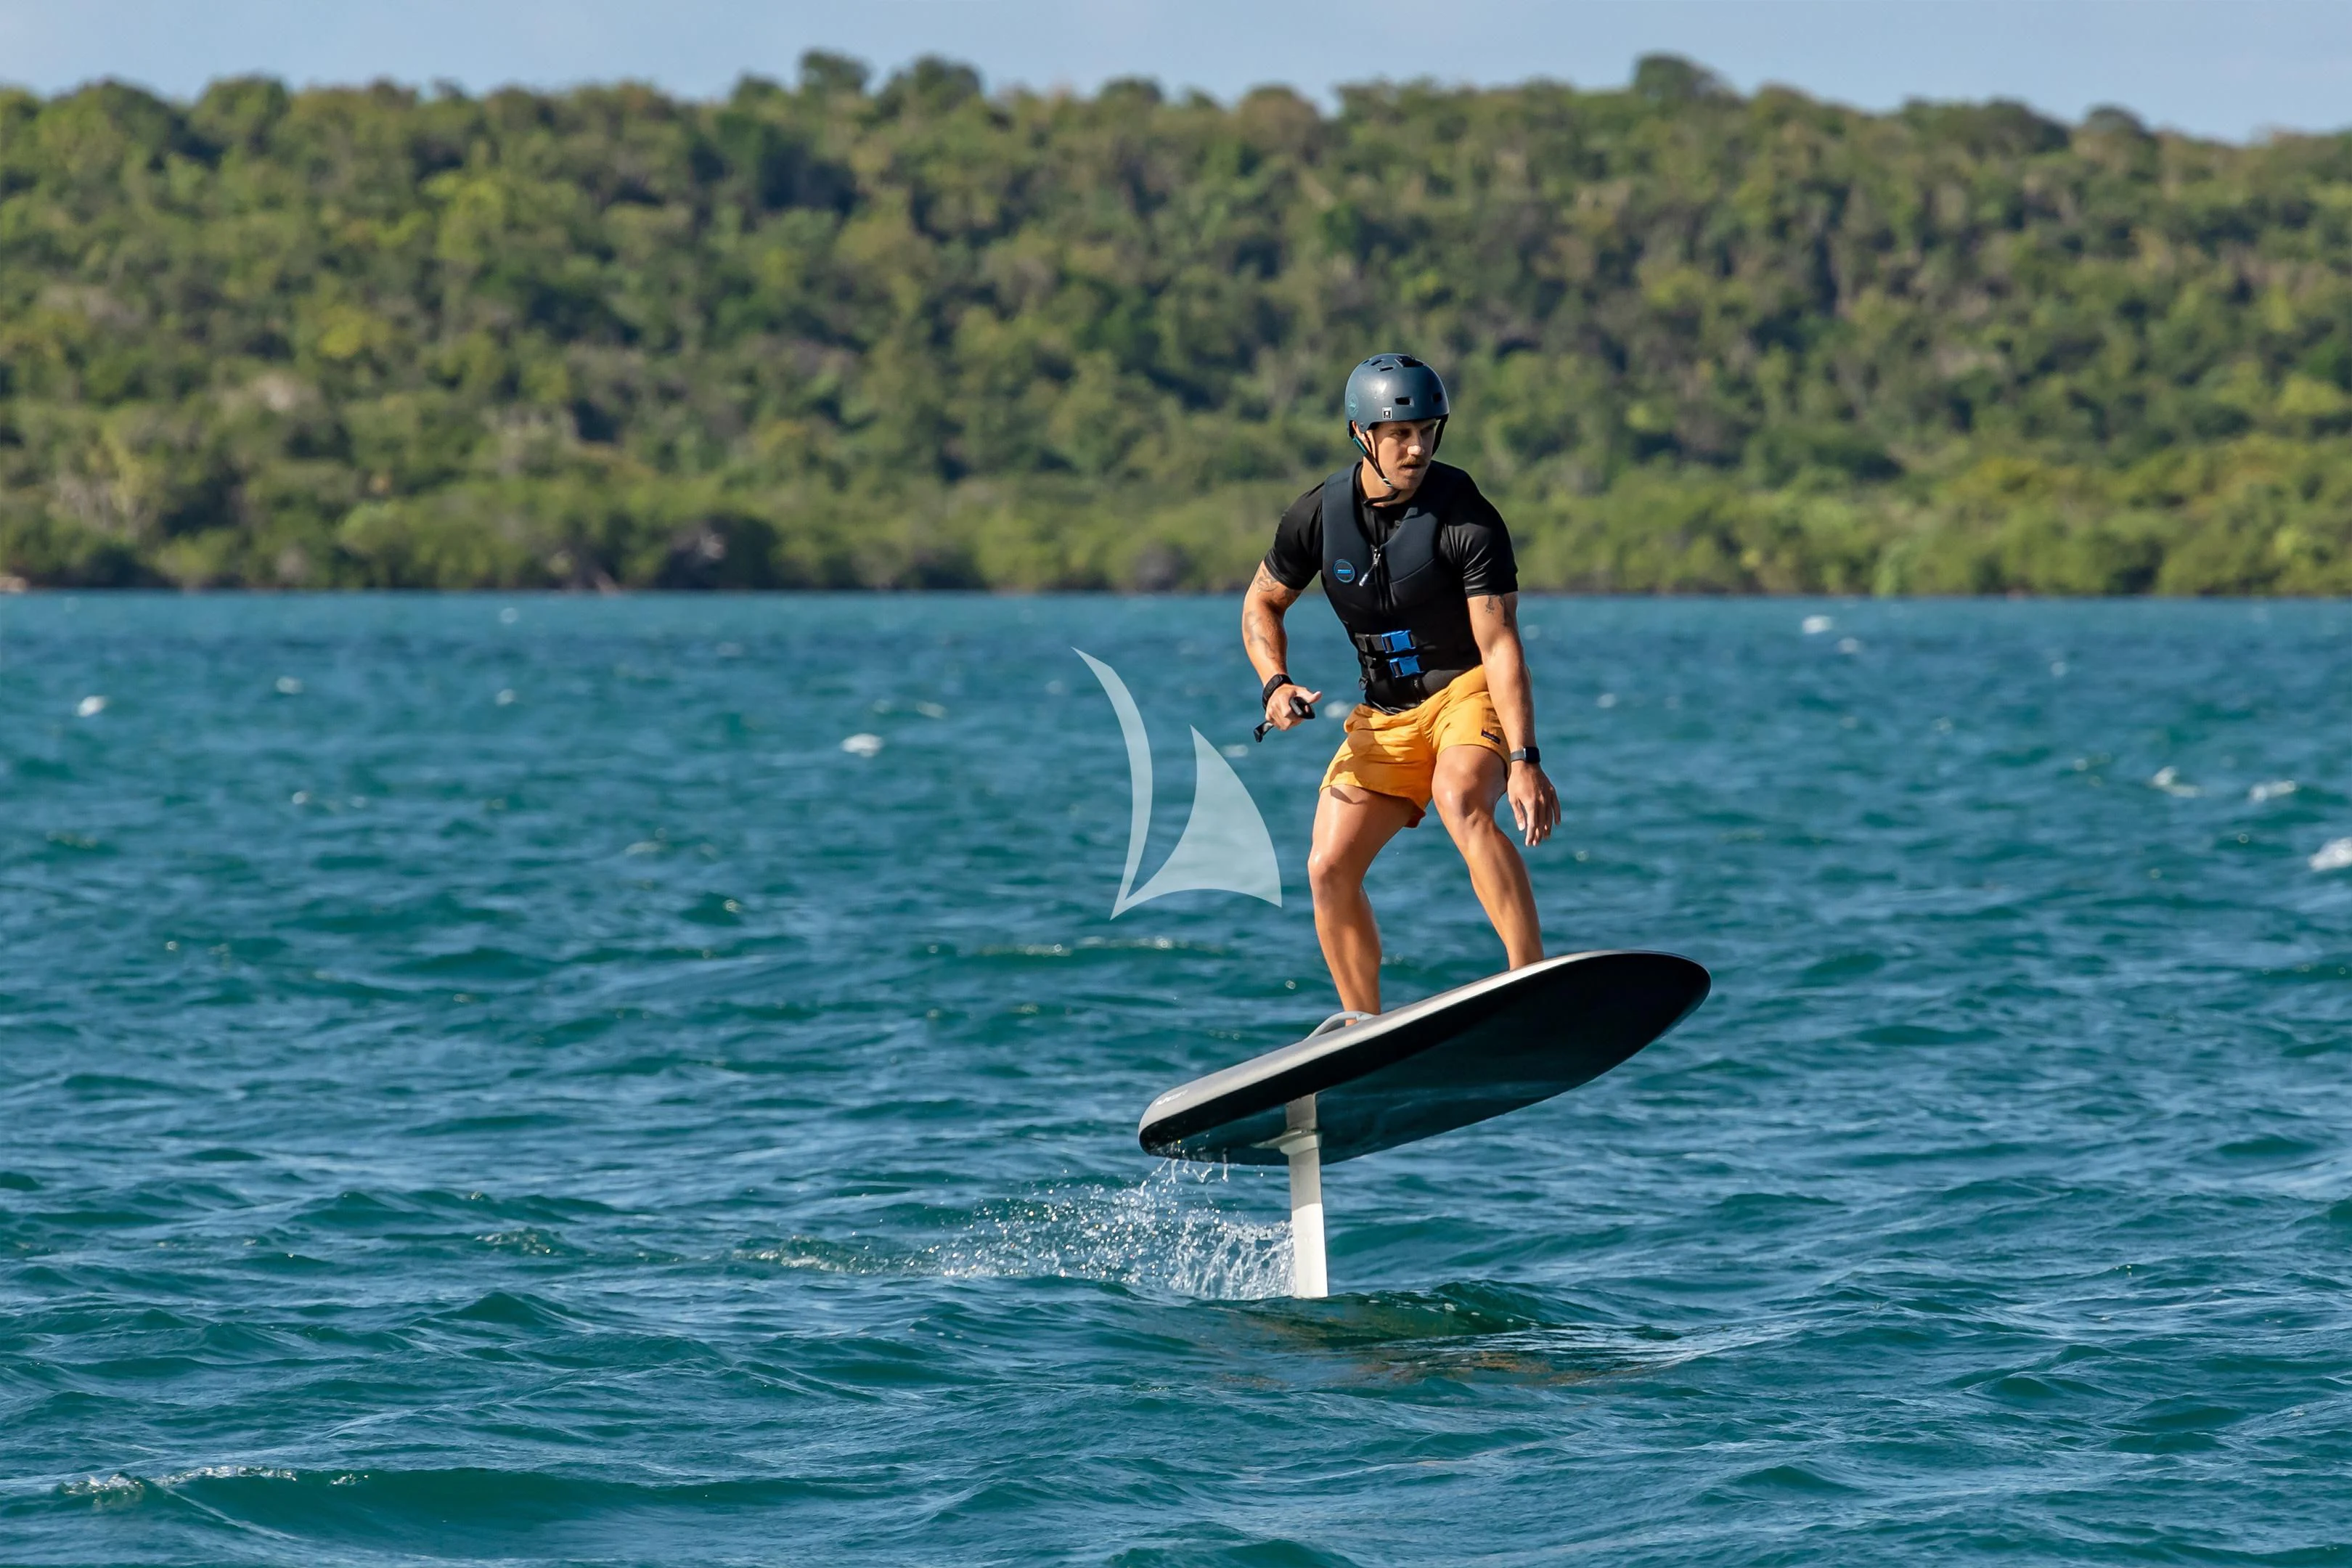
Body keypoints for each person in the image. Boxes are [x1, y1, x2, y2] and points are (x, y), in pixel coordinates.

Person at [1242, 354, 1559, 1016]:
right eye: (1400, 434)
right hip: (1384, 714)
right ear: (1363, 435)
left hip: (1465, 692)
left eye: (1427, 432)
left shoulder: (1467, 518)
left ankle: (1529, 979)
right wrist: (1275, 684)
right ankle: (1362, 1024)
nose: (1417, 448)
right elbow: (1262, 602)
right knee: (1328, 866)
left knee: (1459, 795)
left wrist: (1525, 760)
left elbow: (1501, 645)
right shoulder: (1318, 515)